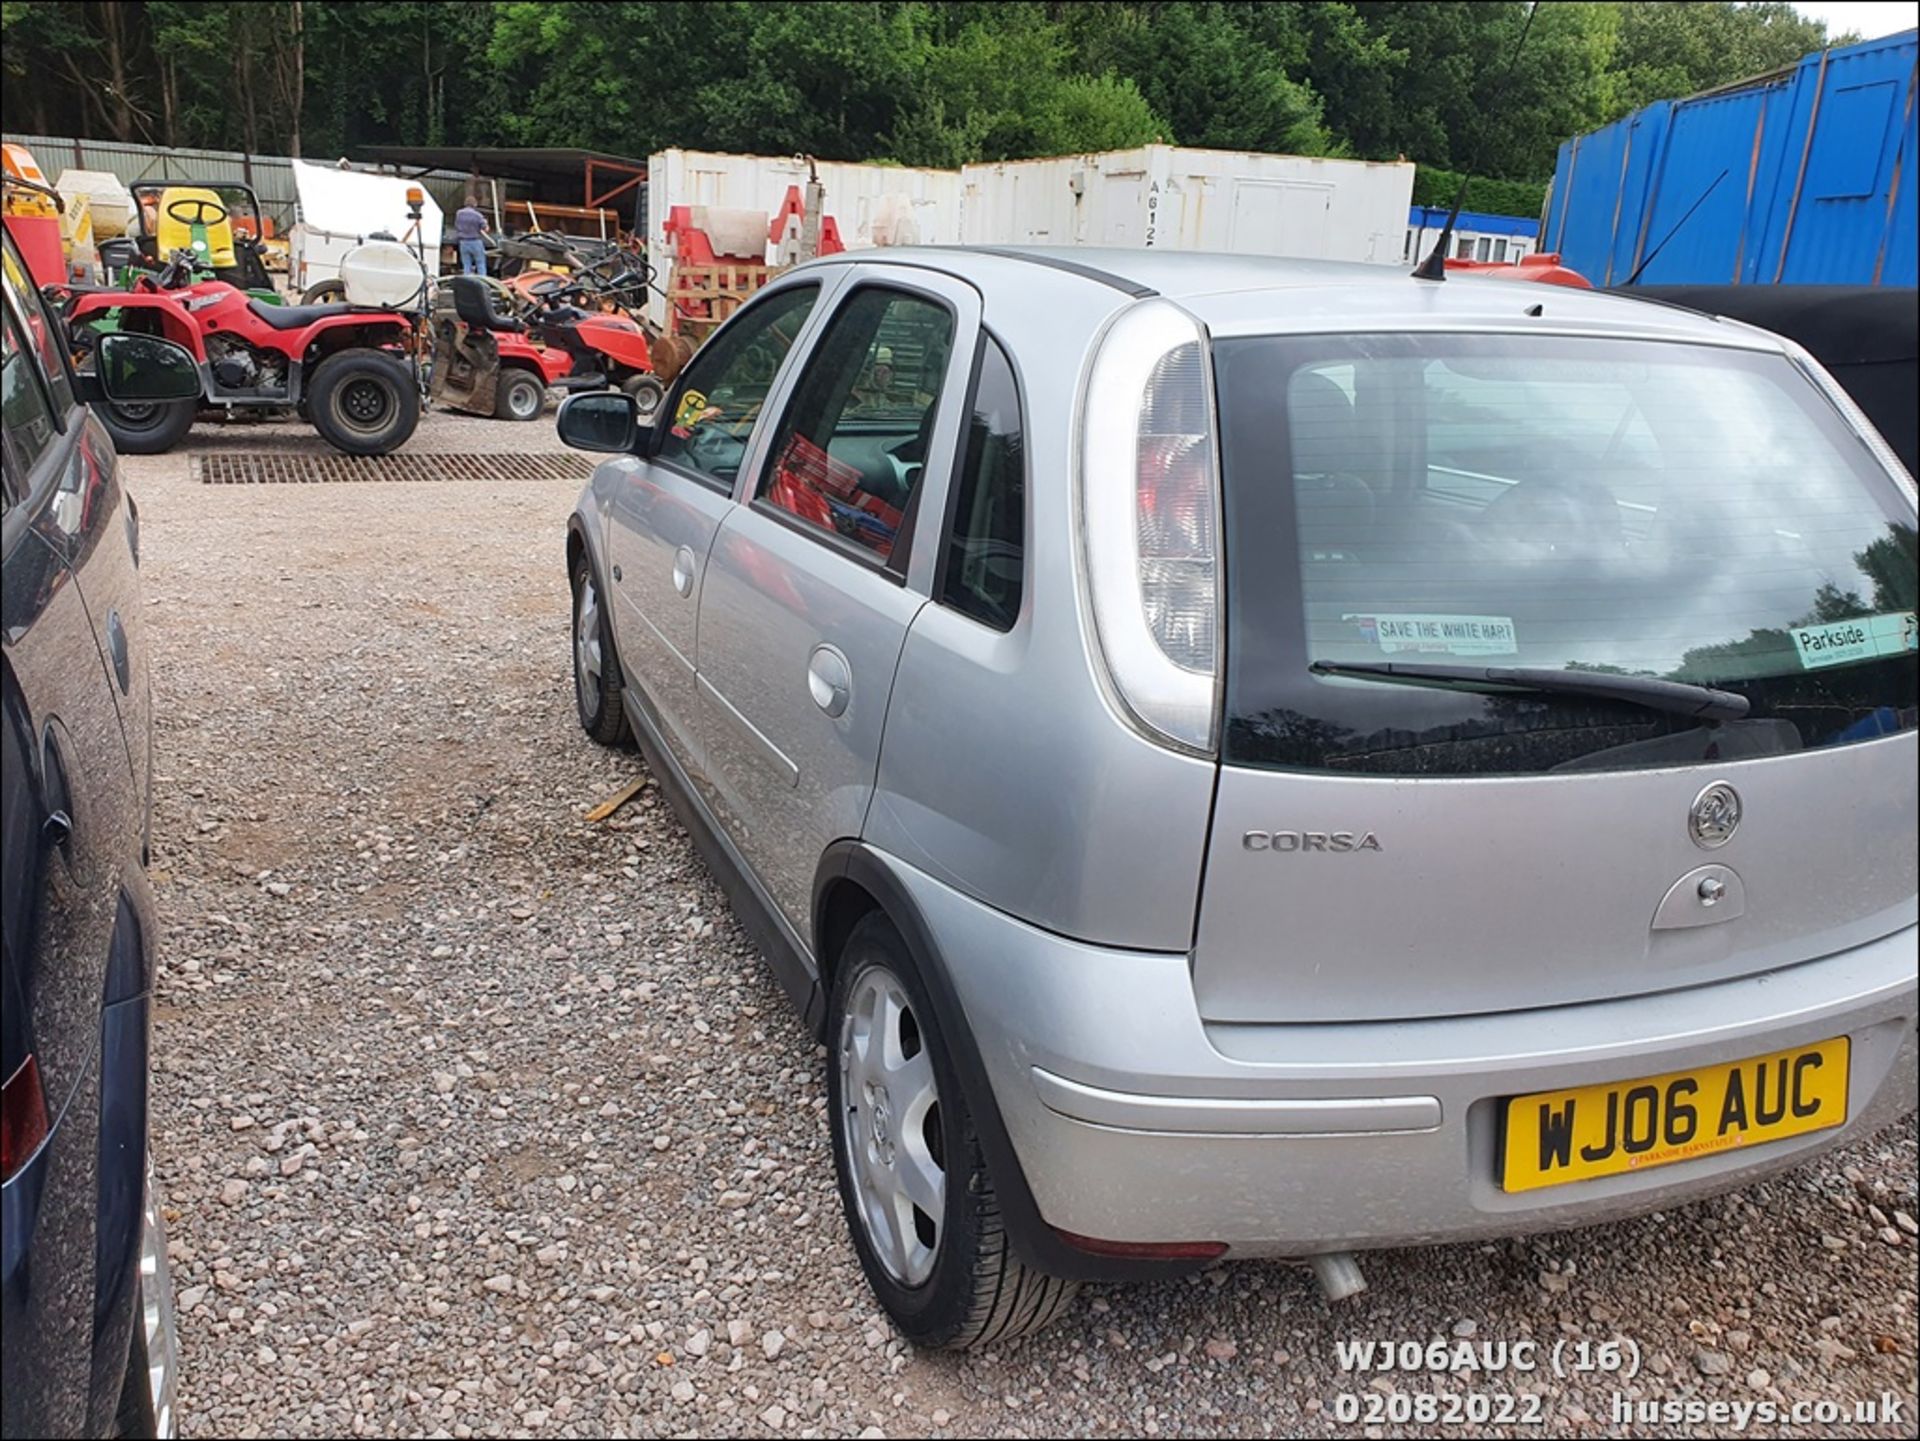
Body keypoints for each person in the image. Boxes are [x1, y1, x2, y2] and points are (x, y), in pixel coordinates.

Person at [454, 195, 489, 276]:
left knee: (466, 265)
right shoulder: (478, 215)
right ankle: (482, 282)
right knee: (480, 264)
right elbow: (485, 229)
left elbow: (456, 226)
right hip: (475, 242)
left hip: (463, 242)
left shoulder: (459, 213)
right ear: (475, 204)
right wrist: (486, 223)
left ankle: (467, 283)